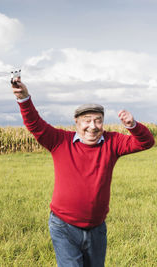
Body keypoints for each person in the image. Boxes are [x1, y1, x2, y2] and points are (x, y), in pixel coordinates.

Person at [11, 76, 155, 266]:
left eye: (98, 121)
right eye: (87, 121)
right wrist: (24, 98)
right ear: (76, 123)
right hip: (63, 226)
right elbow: (34, 124)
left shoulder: (113, 143)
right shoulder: (59, 141)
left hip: (97, 228)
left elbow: (146, 142)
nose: (93, 127)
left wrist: (132, 126)